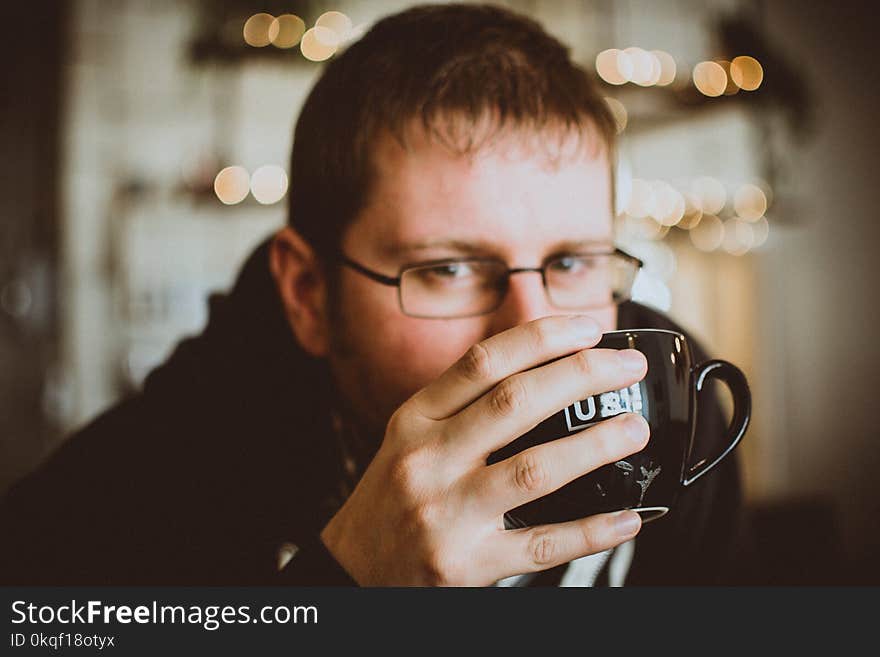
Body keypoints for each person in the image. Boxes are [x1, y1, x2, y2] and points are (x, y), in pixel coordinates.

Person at [0, 3, 746, 586]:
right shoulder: (149, 478)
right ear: (307, 293)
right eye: (448, 268)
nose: (533, 330)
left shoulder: (677, 412)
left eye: (574, 261)